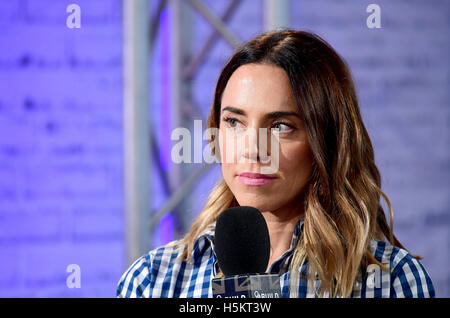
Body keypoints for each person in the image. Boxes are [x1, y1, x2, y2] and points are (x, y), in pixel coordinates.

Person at [117, 29, 435, 298]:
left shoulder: (391, 281)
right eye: (234, 122)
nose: (253, 150)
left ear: (326, 140)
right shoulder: (153, 281)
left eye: (281, 126)